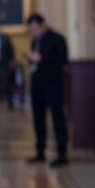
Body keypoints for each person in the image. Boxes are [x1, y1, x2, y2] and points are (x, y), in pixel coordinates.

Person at [26, 13, 69, 167]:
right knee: (38, 120)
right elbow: (35, 62)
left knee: (58, 119)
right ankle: (40, 152)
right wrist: (31, 59)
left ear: (42, 25)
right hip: (37, 85)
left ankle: (62, 154)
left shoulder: (57, 39)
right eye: (30, 30)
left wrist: (42, 59)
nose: (32, 32)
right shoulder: (34, 41)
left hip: (53, 85)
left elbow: (62, 60)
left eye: (34, 29)